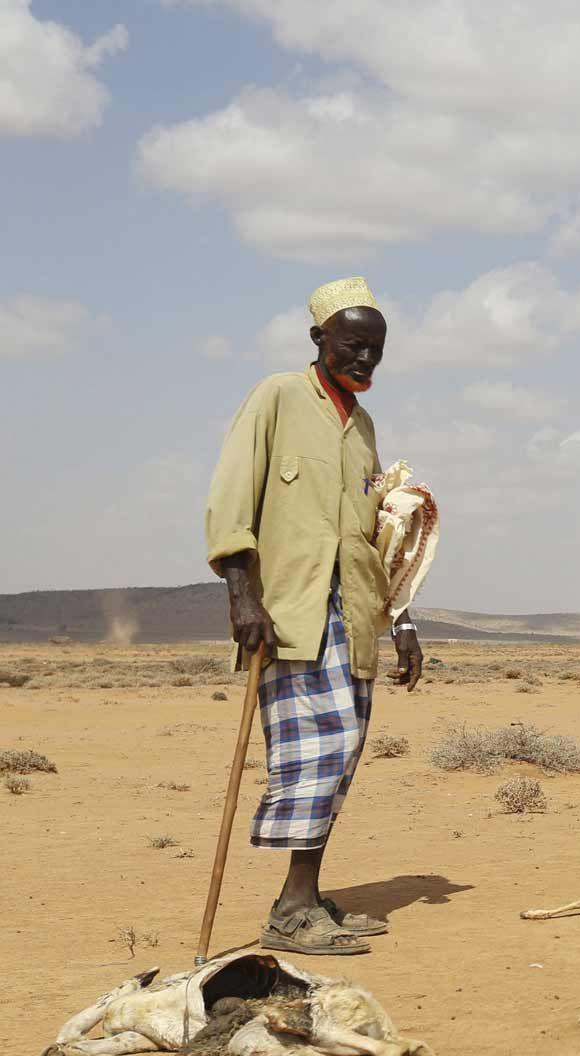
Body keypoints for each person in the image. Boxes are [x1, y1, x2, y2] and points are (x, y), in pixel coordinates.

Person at [203, 276, 423, 955]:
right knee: (312, 754)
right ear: (319, 339)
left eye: (376, 351)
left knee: (343, 753)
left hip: (353, 613)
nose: (365, 361)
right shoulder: (275, 397)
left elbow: (379, 534)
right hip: (289, 612)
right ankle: (293, 910)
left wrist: (403, 618)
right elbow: (232, 494)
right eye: (354, 346)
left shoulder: (362, 428)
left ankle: (306, 897)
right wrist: (242, 592)